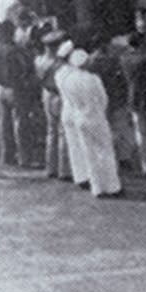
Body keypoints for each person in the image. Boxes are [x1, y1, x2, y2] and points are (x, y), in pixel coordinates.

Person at [57, 48, 124, 197]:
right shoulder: (93, 79)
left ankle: (96, 187)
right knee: (105, 150)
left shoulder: (68, 79)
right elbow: (103, 99)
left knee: (89, 152)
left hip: (78, 117)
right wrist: (98, 110)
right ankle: (112, 186)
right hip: (95, 116)